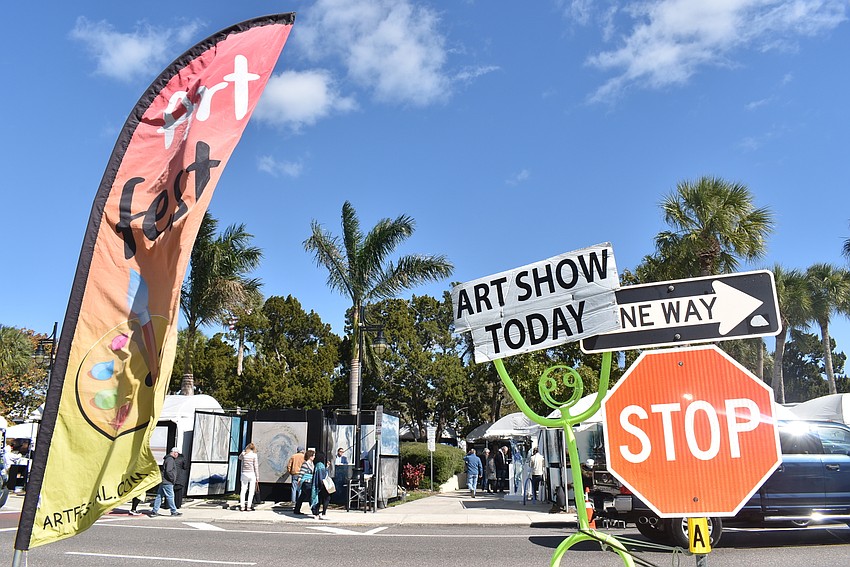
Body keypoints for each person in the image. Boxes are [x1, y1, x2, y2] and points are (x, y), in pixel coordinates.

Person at [149, 447, 182, 516]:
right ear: (174, 452)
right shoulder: (170, 460)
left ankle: (154, 511)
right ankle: (173, 511)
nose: (177, 455)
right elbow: (168, 471)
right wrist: (172, 479)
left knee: (159, 496)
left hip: (164, 481)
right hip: (168, 481)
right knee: (170, 496)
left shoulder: (168, 459)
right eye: (177, 453)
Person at [239, 442, 260, 512]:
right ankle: (248, 506)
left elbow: (239, 458)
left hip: (244, 473)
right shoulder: (254, 455)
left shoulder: (244, 454)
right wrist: (257, 477)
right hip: (252, 474)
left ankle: (242, 506)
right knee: (251, 491)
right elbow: (256, 467)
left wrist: (243, 452)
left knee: (243, 490)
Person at [293, 449, 315, 515]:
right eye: (313, 455)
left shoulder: (312, 464)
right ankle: (314, 510)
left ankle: (297, 509)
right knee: (310, 496)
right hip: (306, 482)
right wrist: (299, 480)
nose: (314, 457)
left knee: (302, 496)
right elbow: (302, 472)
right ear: (310, 456)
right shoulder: (306, 463)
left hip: (310, 481)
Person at [311, 452, 331, 520]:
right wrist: (327, 468)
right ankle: (323, 513)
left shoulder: (316, 465)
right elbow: (324, 475)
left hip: (317, 485)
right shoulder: (321, 465)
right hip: (322, 484)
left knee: (318, 499)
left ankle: (316, 513)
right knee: (327, 498)